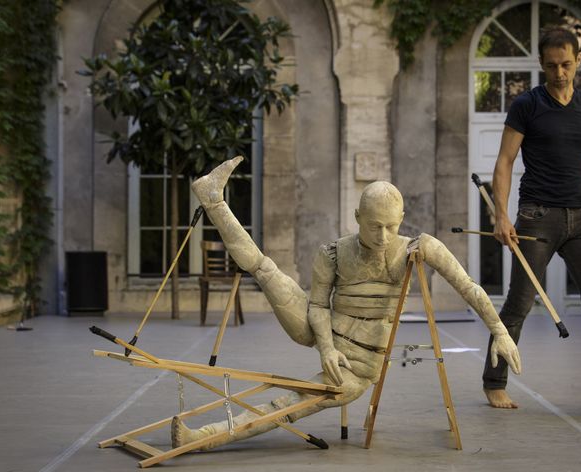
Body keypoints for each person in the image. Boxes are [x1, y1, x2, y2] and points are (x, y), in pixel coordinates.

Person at [172, 155, 522, 451]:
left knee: (290, 405)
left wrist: (499, 331)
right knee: (265, 268)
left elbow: (468, 286)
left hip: (360, 365)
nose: (382, 236)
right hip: (321, 330)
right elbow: (319, 306)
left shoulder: (419, 247)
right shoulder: (334, 252)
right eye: (373, 226)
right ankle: (213, 199)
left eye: (390, 226)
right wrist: (326, 347)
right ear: (357, 217)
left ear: (401, 221)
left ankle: (201, 438)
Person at [481, 27, 581, 418]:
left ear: (578, 61)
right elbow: (504, 162)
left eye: (566, 64)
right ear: (541, 64)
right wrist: (500, 214)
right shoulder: (527, 105)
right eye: (551, 65)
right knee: (518, 304)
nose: (560, 72)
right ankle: (494, 383)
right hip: (537, 216)